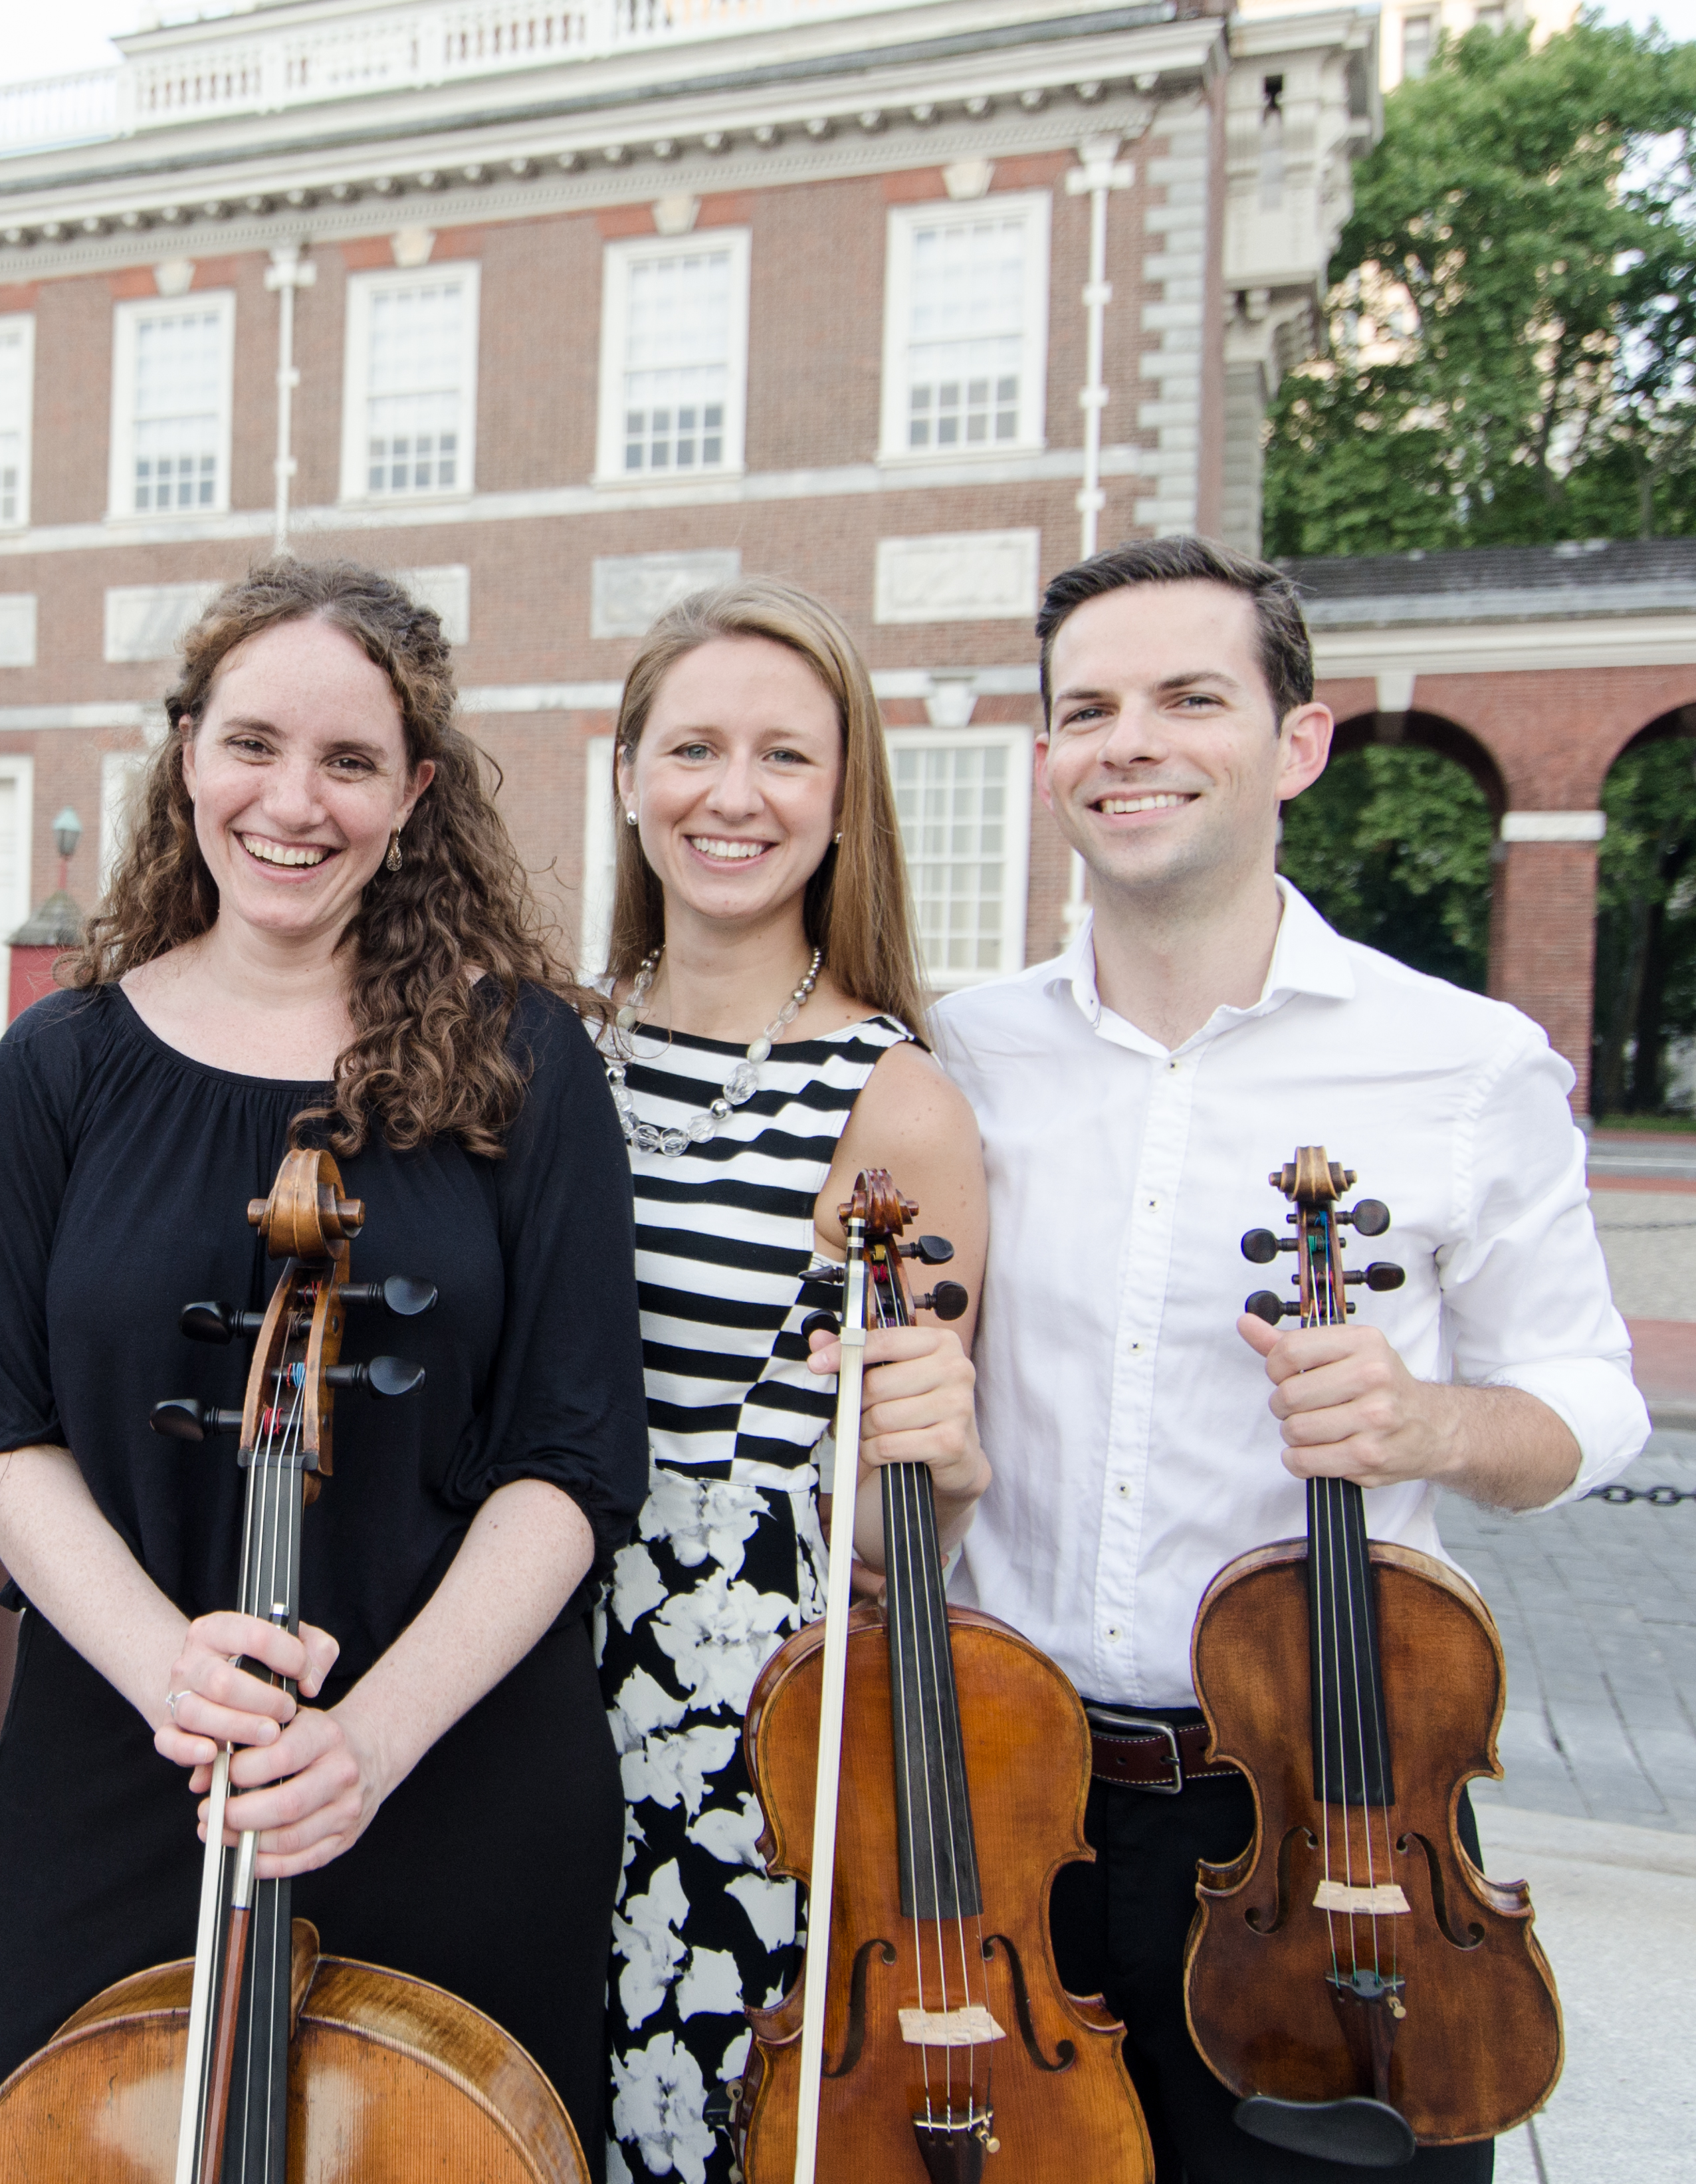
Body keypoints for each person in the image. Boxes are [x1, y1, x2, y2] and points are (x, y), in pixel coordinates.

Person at [0, 558, 649, 2181]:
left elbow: (570, 1454)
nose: (289, 801)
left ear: (415, 792)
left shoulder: (525, 1059)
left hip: (446, 1756)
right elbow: (2, 1429)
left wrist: (367, 1739)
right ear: (185, 755)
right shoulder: (62, 1064)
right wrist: (170, 1666)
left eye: (349, 761)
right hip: (124, 1747)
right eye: (250, 743)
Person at [937, 535, 1650, 2183]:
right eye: (1086, 709)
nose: (1128, 742)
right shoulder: (961, 1057)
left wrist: (1426, 1416)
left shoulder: (1463, 1062)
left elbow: (1588, 1397)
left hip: (1329, 1820)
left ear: (1296, 743)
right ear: (1047, 756)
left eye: (1188, 697)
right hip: (1012, 1806)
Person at [587, 580, 991, 2184]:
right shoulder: (548, 1041)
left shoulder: (895, 1100)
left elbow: (894, 1524)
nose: (731, 794)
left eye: (782, 756)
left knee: (688, 2124)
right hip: (509, 1646)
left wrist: (937, 1470)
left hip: (733, 1702)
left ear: (841, 799)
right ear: (625, 772)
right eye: (690, 745)